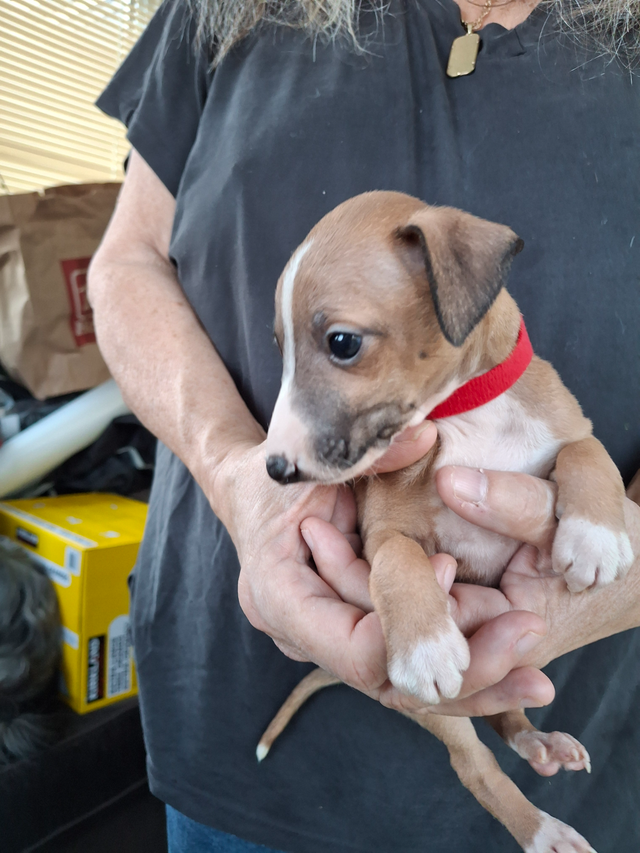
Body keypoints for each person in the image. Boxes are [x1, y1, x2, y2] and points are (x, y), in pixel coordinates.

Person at [88, 0, 640, 850]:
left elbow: (578, 449)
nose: (287, 439)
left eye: (342, 346)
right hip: (232, 741)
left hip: (590, 727)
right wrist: (240, 479)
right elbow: (126, 260)